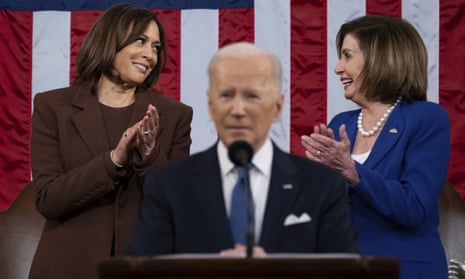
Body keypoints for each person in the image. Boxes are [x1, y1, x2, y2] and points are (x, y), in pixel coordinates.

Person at [127, 42, 359, 257]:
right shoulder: (169, 185)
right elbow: (143, 270)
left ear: (277, 107)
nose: (238, 109)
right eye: (226, 95)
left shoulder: (321, 186)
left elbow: (346, 271)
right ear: (211, 105)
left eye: (252, 96)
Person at [28, 4, 192, 279]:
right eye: (140, 40)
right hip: (69, 266)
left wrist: (150, 155)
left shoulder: (175, 115)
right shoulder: (53, 106)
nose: (149, 54)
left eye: (155, 47)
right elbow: (48, 200)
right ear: (109, 39)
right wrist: (112, 160)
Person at [301, 15, 450, 279]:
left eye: (347, 56)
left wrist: (353, 172)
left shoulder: (426, 118)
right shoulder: (341, 124)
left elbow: (414, 208)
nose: (337, 68)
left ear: (380, 58)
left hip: (403, 270)